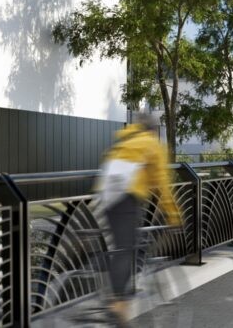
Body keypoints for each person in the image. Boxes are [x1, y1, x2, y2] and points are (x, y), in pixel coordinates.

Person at [96, 113, 181, 325]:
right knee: (126, 249)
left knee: (121, 245)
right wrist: (172, 214)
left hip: (106, 194)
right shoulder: (152, 144)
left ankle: (102, 275)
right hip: (127, 196)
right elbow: (162, 182)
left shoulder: (124, 139)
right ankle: (117, 305)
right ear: (154, 130)